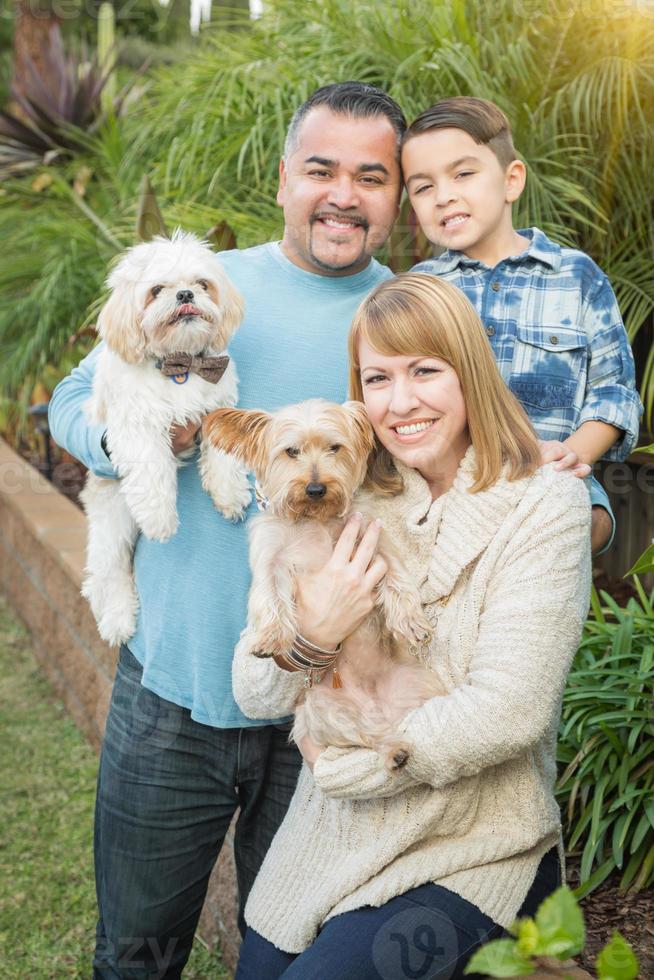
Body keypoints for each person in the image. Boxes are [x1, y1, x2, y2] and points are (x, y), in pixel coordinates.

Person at [47, 81, 405, 979]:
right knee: (135, 953)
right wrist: (132, 448)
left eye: (371, 176)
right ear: (285, 177)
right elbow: (71, 402)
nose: (343, 195)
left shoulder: (406, 314)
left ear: (396, 195)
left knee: (284, 951)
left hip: (318, 704)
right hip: (171, 689)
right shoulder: (201, 286)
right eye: (321, 169)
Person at [232, 274, 592, 980]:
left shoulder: (545, 505)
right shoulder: (339, 489)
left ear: (471, 371)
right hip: (331, 837)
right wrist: (315, 633)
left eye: (425, 371)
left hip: (471, 841)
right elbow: (254, 690)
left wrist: (357, 768)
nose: (399, 402)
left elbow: (509, 711)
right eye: (377, 378)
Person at [402, 97, 641, 555]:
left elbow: (615, 392)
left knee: (564, 541)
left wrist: (570, 455)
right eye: (423, 187)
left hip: (550, 482)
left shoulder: (576, 277)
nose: (444, 195)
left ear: (511, 180)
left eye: (463, 174)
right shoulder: (419, 290)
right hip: (447, 492)